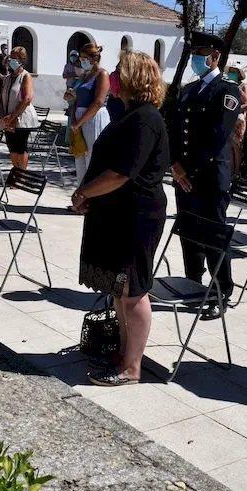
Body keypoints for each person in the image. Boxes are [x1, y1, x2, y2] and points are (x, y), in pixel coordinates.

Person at [73, 52, 170, 386]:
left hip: (136, 215)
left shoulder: (145, 118)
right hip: (118, 214)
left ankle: (132, 367)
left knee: (133, 291)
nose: (112, 75)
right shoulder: (128, 114)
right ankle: (124, 354)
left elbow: (120, 173)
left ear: (133, 78)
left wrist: (85, 192)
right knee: (120, 290)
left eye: (118, 71)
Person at [166, 31, 240, 320]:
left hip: (208, 176)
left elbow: (218, 137)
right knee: (189, 233)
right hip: (184, 175)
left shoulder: (226, 91)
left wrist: (188, 170)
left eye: (202, 52)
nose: (197, 57)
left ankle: (221, 291)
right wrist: (174, 164)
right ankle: (192, 283)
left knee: (213, 236)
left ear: (215, 56)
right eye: (194, 52)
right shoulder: (190, 89)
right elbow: (174, 129)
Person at [71, 43, 112, 184]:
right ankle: (80, 198)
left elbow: (98, 101)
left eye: (84, 58)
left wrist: (80, 121)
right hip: (80, 119)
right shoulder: (85, 76)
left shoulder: (102, 74)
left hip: (94, 118)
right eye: (81, 58)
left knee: (92, 157)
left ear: (94, 59)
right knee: (80, 157)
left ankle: (92, 200)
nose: (82, 61)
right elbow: (78, 97)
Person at [0, 46, 39, 170]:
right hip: (8, 117)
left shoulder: (25, 76)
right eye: (11, 58)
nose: (12, 61)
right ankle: (15, 172)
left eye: (15, 59)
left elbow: (27, 98)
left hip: (22, 118)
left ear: (22, 60)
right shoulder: (7, 78)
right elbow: (1, 98)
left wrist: (12, 117)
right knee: (11, 147)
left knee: (20, 147)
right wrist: (3, 117)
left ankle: (21, 175)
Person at [225, 64, 247, 177]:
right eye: (230, 71)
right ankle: (230, 171)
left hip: (238, 120)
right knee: (229, 145)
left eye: (234, 72)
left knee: (237, 146)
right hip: (229, 119)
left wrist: (234, 110)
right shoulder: (228, 85)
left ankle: (237, 171)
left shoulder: (243, 86)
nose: (231, 73)